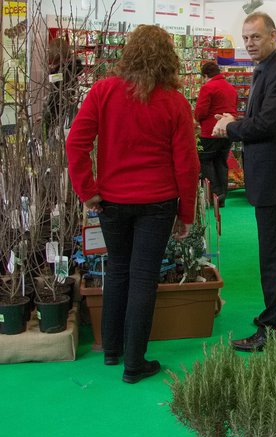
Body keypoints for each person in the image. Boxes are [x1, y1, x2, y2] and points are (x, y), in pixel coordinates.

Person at [66, 25, 200, 383]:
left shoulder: (103, 91)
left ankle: (112, 350)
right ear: (167, 58)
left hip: (112, 201)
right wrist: (185, 212)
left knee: (118, 272)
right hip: (158, 202)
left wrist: (88, 190)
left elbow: (75, 143)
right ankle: (134, 363)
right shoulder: (174, 102)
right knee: (143, 279)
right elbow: (186, 163)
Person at [213, 12, 276, 352]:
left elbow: (267, 125)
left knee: (274, 256)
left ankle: (275, 327)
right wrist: (236, 120)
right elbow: (262, 120)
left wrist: (230, 127)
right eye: (246, 37)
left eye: (256, 37)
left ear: (273, 36)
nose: (250, 43)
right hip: (270, 178)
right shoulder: (266, 70)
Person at [194, 61, 238, 206]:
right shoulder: (230, 88)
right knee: (221, 162)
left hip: (209, 132)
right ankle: (222, 195)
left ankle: (214, 195)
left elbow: (200, 111)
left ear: (205, 75)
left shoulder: (207, 88)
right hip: (227, 131)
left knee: (206, 162)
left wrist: (196, 119)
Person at [44, 37, 83, 132]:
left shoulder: (62, 71)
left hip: (59, 113)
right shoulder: (72, 68)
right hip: (67, 111)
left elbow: (56, 96)